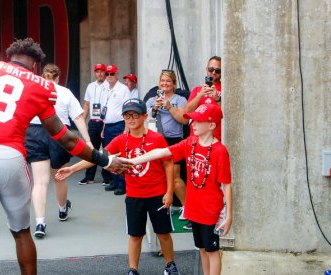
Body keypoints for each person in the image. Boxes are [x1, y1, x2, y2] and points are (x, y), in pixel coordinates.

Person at [0, 38, 128, 275]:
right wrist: (105, 160)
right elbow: (66, 138)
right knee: (21, 232)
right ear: (37, 66)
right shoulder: (40, 86)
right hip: (10, 158)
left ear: (10, 57)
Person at [55, 98, 180, 275]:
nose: (131, 119)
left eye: (135, 115)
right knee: (135, 235)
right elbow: (97, 157)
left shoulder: (157, 139)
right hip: (135, 195)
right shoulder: (121, 140)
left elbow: (168, 164)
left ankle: (170, 265)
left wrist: (169, 192)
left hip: (157, 194)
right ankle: (133, 269)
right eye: (127, 115)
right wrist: (72, 169)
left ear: (144, 116)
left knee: (163, 233)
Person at [126, 104, 232, 275]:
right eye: (193, 120)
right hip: (194, 208)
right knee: (202, 249)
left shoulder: (220, 151)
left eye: (198, 121)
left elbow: (226, 184)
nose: (193, 124)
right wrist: (131, 162)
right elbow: (161, 152)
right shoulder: (190, 142)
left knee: (212, 251)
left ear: (211, 125)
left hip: (211, 210)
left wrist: (229, 215)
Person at [25, 63, 91, 238]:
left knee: (40, 182)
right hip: (58, 132)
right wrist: (88, 141)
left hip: (35, 132)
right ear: (58, 78)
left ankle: (40, 222)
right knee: (59, 177)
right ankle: (62, 210)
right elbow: (78, 117)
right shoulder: (65, 92)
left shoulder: (33, 90)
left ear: (42, 76)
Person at [146, 70, 190, 229]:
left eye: (168, 81)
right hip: (156, 140)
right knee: (161, 175)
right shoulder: (151, 99)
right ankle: (169, 203)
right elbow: (147, 120)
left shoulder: (180, 99)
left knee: (176, 176)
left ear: (174, 84)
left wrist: (169, 106)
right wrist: (155, 109)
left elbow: (183, 121)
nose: (165, 84)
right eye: (162, 81)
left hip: (174, 139)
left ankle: (188, 208)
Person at [79, 63, 111, 185]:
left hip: (105, 123)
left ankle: (107, 178)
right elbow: (86, 104)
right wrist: (82, 120)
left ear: (105, 72)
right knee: (91, 150)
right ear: (95, 73)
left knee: (106, 150)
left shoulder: (109, 86)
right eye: (97, 71)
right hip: (93, 122)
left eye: (102, 71)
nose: (100, 74)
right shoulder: (90, 86)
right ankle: (89, 177)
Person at [102, 64, 131, 195]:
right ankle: (114, 181)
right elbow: (105, 110)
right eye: (107, 74)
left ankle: (122, 183)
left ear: (117, 74)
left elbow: (127, 109)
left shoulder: (123, 89)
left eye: (111, 74)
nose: (109, 77)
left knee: (120, 154)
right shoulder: (105, 88)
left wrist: (126, 128)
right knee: (109, 154)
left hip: (119, 125)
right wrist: (103, 128)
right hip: (107, 125)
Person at [185, 56, 223, 140]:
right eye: (211, 69)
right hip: (196, 138)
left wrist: (217, 99)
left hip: (216, 137)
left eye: (217, 70)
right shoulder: (197, 89)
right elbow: (187, 111)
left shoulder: (225, 89)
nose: (213, 72)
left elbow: (226, 116)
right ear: (206, 69)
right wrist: (199, 95)